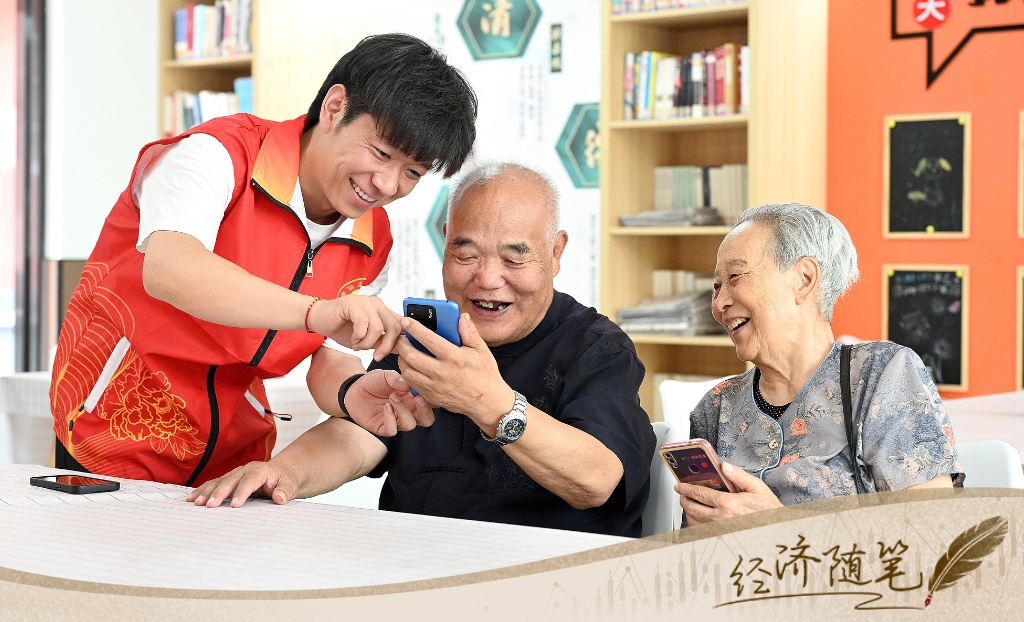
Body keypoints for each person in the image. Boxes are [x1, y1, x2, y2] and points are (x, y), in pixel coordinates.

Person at [49, 34, 477, 486]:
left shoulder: (373, 239)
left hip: (232, 452)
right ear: (335, 108)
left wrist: (352, 393)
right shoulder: (219, 155)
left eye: (412, 172)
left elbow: (331, 356)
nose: (387, 185)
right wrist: (315, 312)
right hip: (111, 431)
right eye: (381, 153)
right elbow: (170, 269)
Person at [189, 162, 657, 538]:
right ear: (445, 242)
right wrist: (285, 472)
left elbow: (597, 481)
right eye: (466, 254)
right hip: (416, 568)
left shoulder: (597, 349)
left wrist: (488, 403)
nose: (487, 278)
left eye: (515, 257)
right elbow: (363, 434)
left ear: (555, 254)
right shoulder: (424, 336)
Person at [678, 203, 962, 525]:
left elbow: (931, 534)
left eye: (735, 277)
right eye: (716, 287)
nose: (719, 303)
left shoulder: (881, 376)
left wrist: (775, 526)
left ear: (804, 279)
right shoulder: (716, 408)